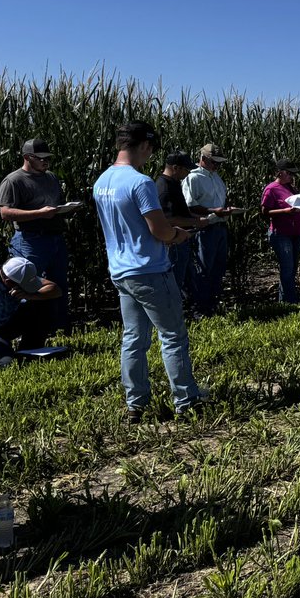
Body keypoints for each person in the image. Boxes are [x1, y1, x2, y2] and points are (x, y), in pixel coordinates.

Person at [92, 121, 205, 419]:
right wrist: (178, 235)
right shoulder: (140, 183)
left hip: (121, 271)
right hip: (150, 269)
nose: (150, 155)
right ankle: (186, 400)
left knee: (134, 339)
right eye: (151, 149)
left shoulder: (102, 181)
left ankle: (136, 403)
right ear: (144, 145)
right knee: (173, 336)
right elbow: (160, 230)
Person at [0, 137, 74, 336]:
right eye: (40, 158)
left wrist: (65, 209)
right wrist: (39, 213)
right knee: (26, 283)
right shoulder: (14, 181)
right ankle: (25, 331)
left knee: (59, 283)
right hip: (30, 240)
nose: (45, 161)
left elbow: (57, 202)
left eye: (47, 158)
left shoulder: (51, 178)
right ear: (27, 157)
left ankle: (58, 328)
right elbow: (5, 212)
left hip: (55, 237)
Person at [182, 143, 234, 316]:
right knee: (203, 269)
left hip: (220, 226)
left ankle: (212, 305)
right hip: (204, 229)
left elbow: (220, 200)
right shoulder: (193, 178)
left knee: (218, 268)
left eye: (219, 163)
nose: (217, 166)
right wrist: (214, 211)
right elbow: (190, 206)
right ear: (203, 159)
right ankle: (200, 309)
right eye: (214, 162)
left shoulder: (216, 177)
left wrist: (226, 208)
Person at [0, 258, 62, 365]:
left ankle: (30, 349)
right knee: (6, 362)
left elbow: (55, 289)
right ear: (8, 282)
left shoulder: (14, 274)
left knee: (46, 301)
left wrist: (29, 295)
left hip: (9, 320)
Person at [156, 151, 212, 297]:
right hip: (174, 242)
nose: (188, 173)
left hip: (182, 240)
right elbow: (169, 218)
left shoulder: (173, 184)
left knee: (186, 280)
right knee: (174, 281)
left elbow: (180, 211)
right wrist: (196, 222)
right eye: (186, 169)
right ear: (176, 168)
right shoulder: (164, 188)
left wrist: (197, 217)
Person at [260, 158, 300, 304]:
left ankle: (285, 300)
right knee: (287, 267)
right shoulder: (271, 189)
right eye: (289, 173)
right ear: (280, 173)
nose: (292, 176)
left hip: (296, 232)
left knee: (292, 268)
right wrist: (285, 211)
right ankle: (289, 301)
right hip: (281, 233)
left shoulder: (291, 188)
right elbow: (265, 211)